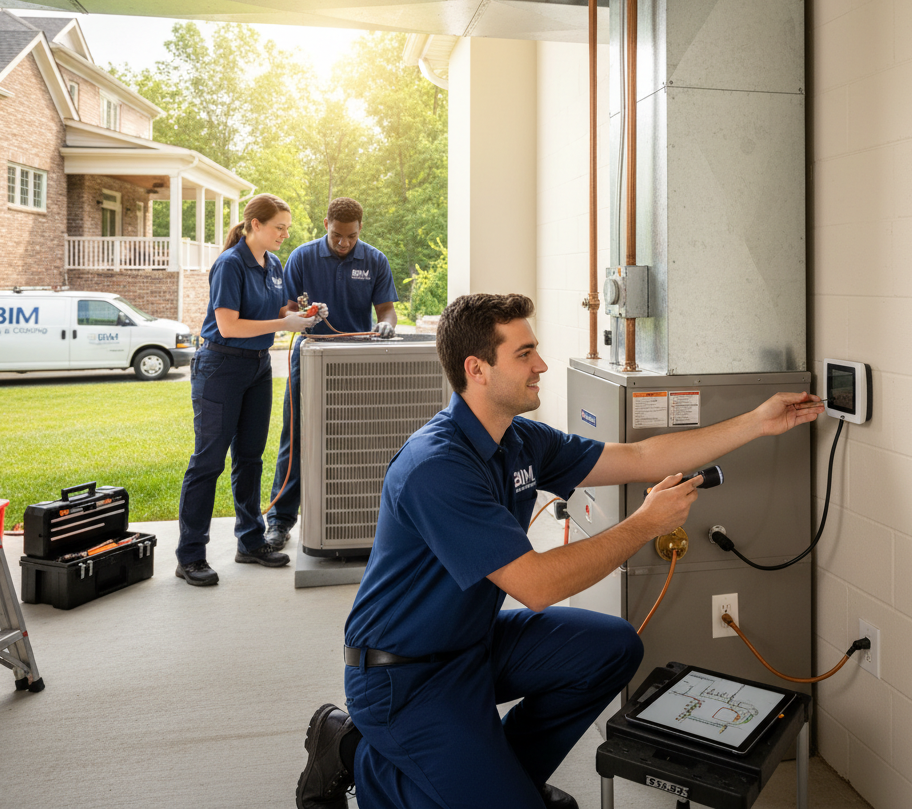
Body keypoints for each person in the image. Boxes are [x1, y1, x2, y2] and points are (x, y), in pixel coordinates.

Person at [294, 293, 824, 809]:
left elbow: (639, 455)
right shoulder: (437, 467)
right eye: (524, 354)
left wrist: (758, 421)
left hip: (473, 643)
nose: (542, 365)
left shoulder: (519, 439)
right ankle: (353, 748)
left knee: (613, 647)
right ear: (476, 369)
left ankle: (506, 776)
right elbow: (537, 586)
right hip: (402, 675)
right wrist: (643, 525)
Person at [174, 194, 321, 587]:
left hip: (257, 367)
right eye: (279, 227)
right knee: (208, 462)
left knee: (251, 458)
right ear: (255, 224)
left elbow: (269, 313)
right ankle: (189, 555)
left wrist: (297, 316)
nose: (285, 234)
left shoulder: (273, 264)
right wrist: (282, 326)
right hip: (220, 367)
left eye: (287, 228)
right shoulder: (229, 264)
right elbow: (229, 326)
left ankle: (250, 541)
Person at [263, 197, 399, 550]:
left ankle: (360, 517)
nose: (343, 243)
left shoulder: (375, 260)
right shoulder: (302, 258)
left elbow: (386, 309)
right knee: (296, 437)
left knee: (360, 438)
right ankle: (279, 522)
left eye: (351, 237)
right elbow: (287, 309)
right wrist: (307, 313)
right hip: (310, 357)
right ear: (326, 225)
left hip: (359, 363)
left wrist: (386, 326)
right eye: (338, 235)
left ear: (360, 230)